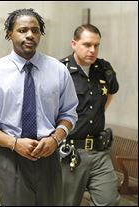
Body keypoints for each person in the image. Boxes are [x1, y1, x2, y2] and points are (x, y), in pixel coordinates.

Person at [0, 8, 79, 206]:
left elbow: (69, 113)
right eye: (22, 30)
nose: (30, 35)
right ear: (9, 34)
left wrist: (55, 139)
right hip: (11, 158)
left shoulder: (58, 71)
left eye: (35, 30)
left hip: (49, 157)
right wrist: (15, 143)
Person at [59, 24, 120, 205]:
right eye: (87, 45)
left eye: (96, 45)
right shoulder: (60, 70)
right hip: (71, 153)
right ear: (74, 44)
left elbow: (109, 95)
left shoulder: (104, 69)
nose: (92, 50)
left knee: (108, 201)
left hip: (99, 152)